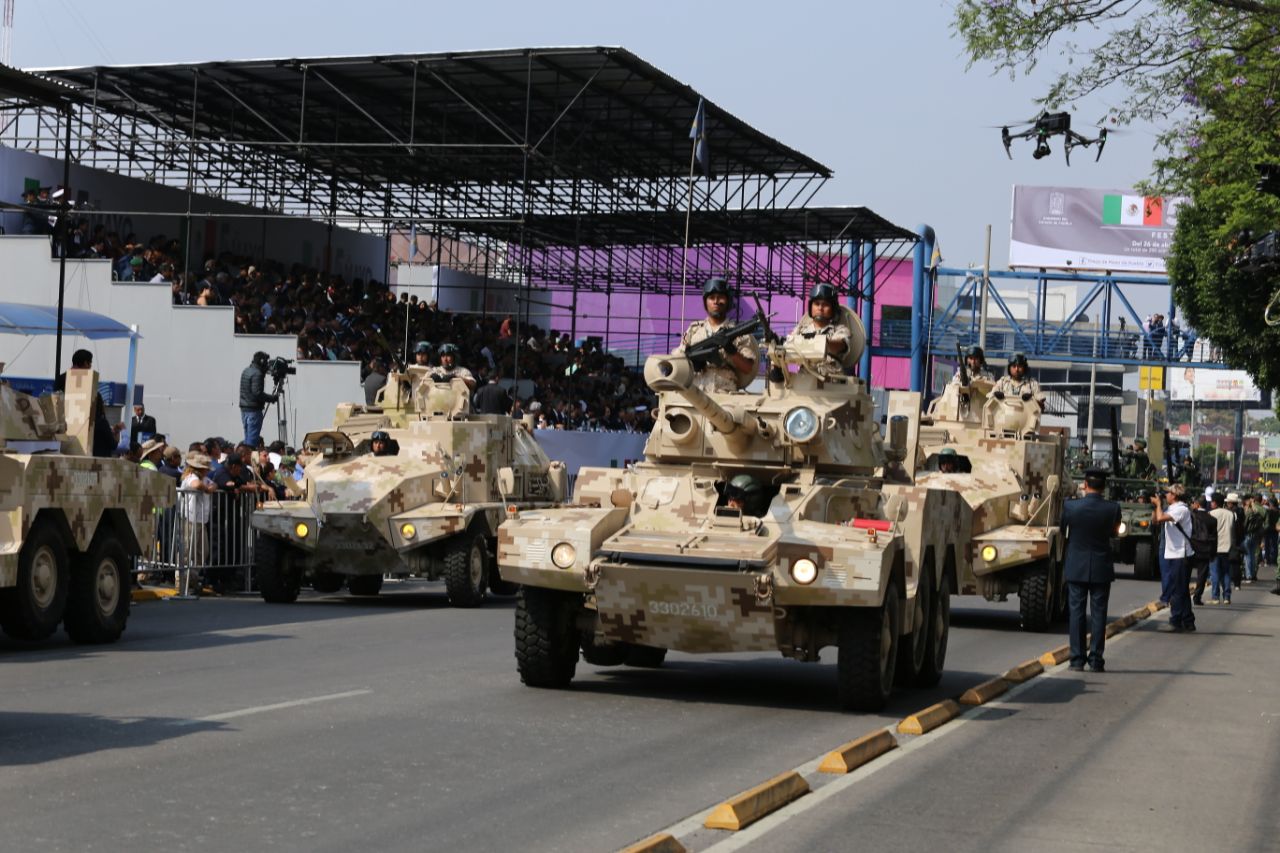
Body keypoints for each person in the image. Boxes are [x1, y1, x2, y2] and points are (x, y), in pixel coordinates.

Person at [1062, 468, 1122, 672]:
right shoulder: (1113, 508)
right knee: (1099, 615)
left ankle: (1077, 659)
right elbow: (1114, 533)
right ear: (1103, 487)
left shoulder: (1070, 506)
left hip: (1076, 565)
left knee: (1076, 613)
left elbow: (1062, 530)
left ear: (1085, 485)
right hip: (1101, 565)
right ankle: (1096, 659)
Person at [675, 277, 759, 393]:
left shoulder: (738, 334)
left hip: (725, 392)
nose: (716, 301)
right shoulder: (694, 330)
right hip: (696, 391)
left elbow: (747, 368)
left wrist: (730, 349)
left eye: (721, 297)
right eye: (711, 298)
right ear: (705, 302)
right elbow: (678, 360)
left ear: (728, 301)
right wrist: (693, 363)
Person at [1151, 484, 1196, 632]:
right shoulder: (1171, 508)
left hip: (1181, 554)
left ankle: (1175, 620)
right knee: (1182, 589)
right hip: (1173, 553)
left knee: (1177, 589)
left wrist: (1159, 505)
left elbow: (1161, 517)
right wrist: (1155, 507)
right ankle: (1188, 620)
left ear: (1174, 495)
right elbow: (1155, 520)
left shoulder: (1181, 509)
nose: (1166, 495)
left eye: (1168, 493)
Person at [784, 282, 852, 378]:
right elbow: (787, 348)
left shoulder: (840, 330)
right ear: (811, 307)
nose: (820, 308)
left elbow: (840, 346)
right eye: (816, 304)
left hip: (831, 380)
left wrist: (822, 343)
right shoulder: (800, 330)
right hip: (805, 379)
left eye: (825, 305)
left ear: (833, 309)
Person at [239, 351, 277, 447]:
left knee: (247, 438)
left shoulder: (246, 370)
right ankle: (249, 454)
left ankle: (247, 452)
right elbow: (257, 393)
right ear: (261, 361)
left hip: (245, 409)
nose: (267, 365)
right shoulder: (257, 374)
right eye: (266, 362)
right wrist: (272, 398)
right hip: (254, 410)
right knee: (252, 441)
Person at [1208, 494, 1235, 605]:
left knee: (1214, 573)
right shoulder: (1230, 514)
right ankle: (1227, 597)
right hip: (1227, 547)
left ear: (1215, 502)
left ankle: (1215, 597)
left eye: (1212, 501)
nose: (1211, 503)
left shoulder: (1211, 514)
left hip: (1214, 548)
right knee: (1226, 573)